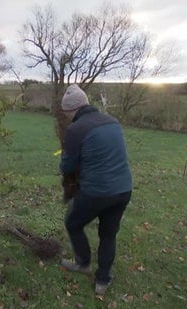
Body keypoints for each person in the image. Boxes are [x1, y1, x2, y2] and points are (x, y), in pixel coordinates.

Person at [59, 84, 133, 295]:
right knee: (108, 234)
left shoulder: (76, 129)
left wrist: (66, 164)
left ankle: (83, 263)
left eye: (67, 113)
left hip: (97, 192)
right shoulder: (112, 121)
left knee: (73, 223)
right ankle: (103, 280)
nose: (67, 118)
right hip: (123, 189)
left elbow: (67, 166)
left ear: (73, 110)